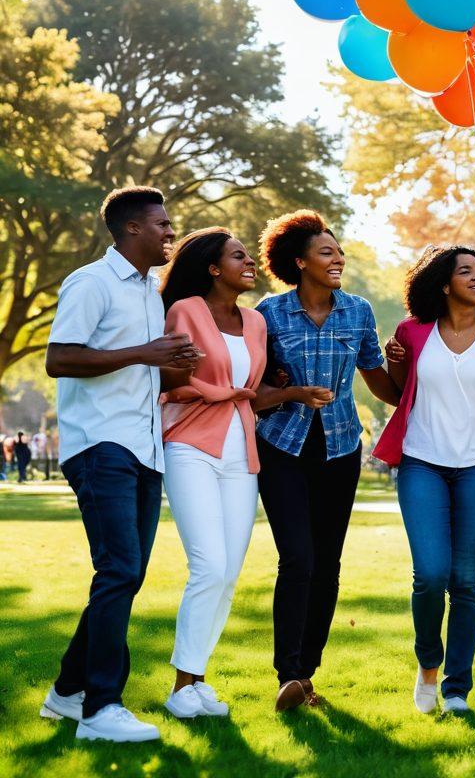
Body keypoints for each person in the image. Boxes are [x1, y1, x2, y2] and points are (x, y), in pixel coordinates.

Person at [40, 187, 201, 742]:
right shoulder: (91, 282)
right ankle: (101, 709)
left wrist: (175, 361)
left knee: (124, 576)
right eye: (162, 224)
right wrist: (145, 353)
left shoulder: (151, 293)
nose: (169, 233)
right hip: (100, 445)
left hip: (145, 448)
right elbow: (59, 358)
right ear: (132, 229)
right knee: (119, 572)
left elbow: (143, 367)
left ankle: (66, 692)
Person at [255, 210, 401, 712]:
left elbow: (377, 379)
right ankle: (288, 672)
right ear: (298, 262)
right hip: (281, 445)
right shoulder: (268, 314)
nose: (338, 259)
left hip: (340, 448)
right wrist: (292, 391)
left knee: (329, 563)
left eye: (339, 252)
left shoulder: (357, 311)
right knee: (297, 557)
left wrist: (400, 370)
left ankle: (305, 675)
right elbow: (254, 389)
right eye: (326, 252)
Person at [375, 245, 475, 715]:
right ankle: (427, 667)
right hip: (421, 461)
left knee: (464, 580)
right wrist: (393, 358)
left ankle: (457, 688)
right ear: (443, 283)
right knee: (430, 575)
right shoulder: (412, 332)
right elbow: (401, 389)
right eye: (467, 272)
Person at [158, 228, 268, 719]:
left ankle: (198, 680)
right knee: (209, 565)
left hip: (240, 451)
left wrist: (287, 391)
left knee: (229, 573)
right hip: (190, 444)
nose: (249, 263)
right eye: (238, 256)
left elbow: (256, 388)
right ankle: (181, 687)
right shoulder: (185, 311)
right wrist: (221, 392)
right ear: (211, 267)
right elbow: (172, 382)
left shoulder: (255, 321)